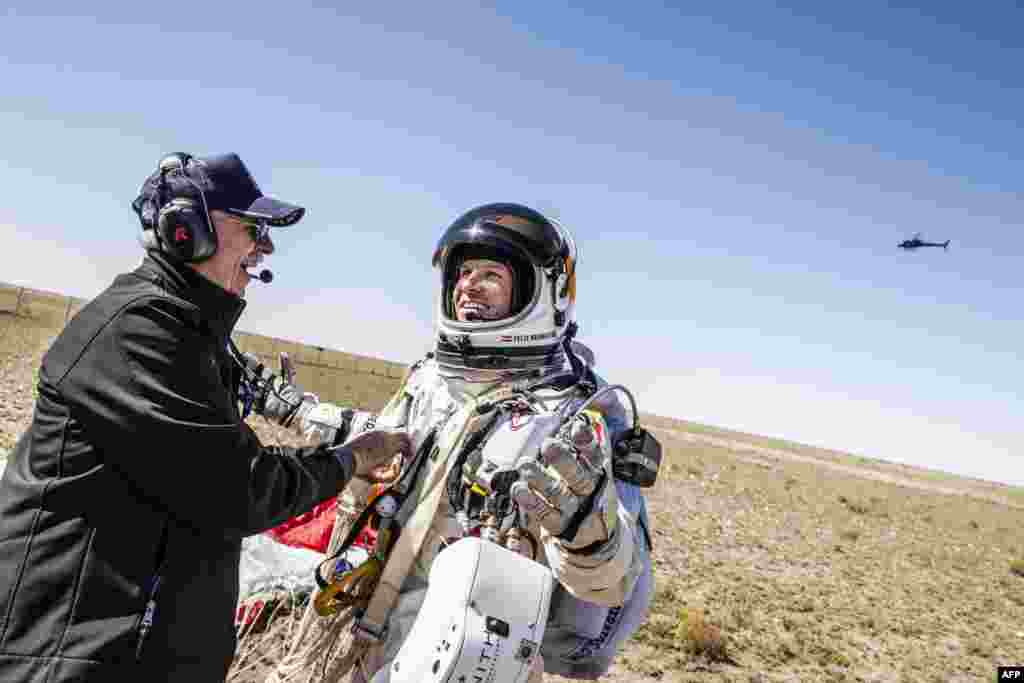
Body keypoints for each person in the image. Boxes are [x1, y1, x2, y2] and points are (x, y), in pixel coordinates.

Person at [0, 152, 410, 683]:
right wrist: (350, 459)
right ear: (184, 231)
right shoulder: (141, 329)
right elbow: (237, 488)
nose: (265, 247)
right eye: (252, 229)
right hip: (80, 658)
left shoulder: (187, 330)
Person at [252, 203, 654, 682]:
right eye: (463, 272)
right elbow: (380, 443)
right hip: (372, 637)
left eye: (491, 274)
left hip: (469, 661)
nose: (468, 285)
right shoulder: (434, 381)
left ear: (543, 292)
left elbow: (613, 586)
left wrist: (587, 531)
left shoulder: (578, 411)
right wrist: (291, 407)